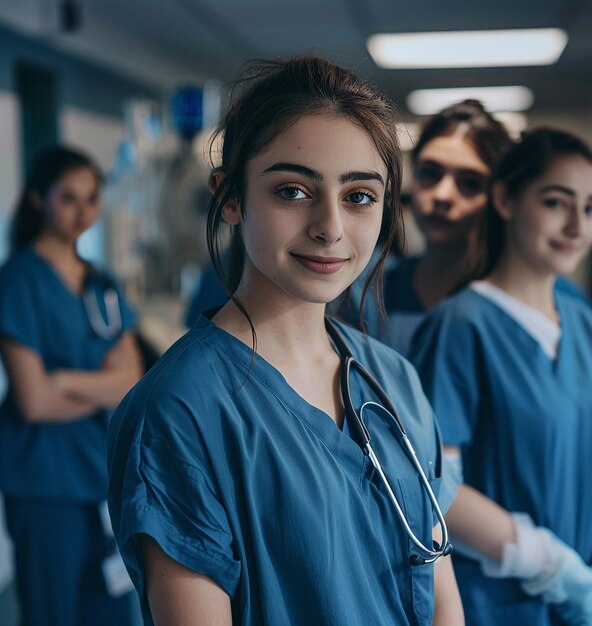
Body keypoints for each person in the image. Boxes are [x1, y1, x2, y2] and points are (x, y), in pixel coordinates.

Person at [106, 55, 464, 626]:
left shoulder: (390, 378)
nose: (330, 226)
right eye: (294, 191)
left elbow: (442, 592)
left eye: (359, 196)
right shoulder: (180, 410)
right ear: (228, 197)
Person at [410, 128, 592, 625]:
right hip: (492, 603)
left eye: (591, 209)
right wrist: (544, 560)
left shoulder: (589, 329)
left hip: (581, 602)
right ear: (505, 199)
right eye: (557, 203)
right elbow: (431, 482)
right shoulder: (461, 325)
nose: (577, 226)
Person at [0, 146, 143, 626]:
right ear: (40, 198)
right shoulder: (19, 280)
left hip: (102, 476)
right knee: (53, 614)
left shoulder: (101, 282)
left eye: (91, 198)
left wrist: (63, 378)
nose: (83, 211)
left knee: (109, 611)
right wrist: (101, 383)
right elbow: (35, 402)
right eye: (68, 197)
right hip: (44, 483)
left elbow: (133, 382)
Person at [380, 100, 513, 354]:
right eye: (430, 174)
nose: (442, 195)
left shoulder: (519, 297)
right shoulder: (374, 291)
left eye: (470, 183)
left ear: (500, 197)